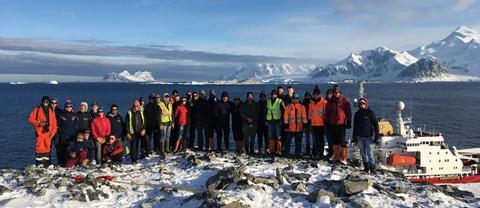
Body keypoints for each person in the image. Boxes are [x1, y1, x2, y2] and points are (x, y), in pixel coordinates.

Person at [325, 84, 352, 165]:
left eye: (338, 92)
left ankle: (344, 158)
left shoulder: (344, 101)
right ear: (333, 92)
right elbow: (327, 112)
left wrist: (349, 121)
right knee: (335, 141)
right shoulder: (330, 102)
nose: (337, 93)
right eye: (335, 92)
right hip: (332, 124)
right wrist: (327, 122)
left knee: (342, 141)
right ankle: (336, 157)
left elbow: (348, 112)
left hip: (341, 124)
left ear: (340, 92)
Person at [352, 98, 380, 173]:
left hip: (368, 137)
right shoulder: (357, 114)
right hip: (360, 137)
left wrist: (377, 136)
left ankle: (372, 167)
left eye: (363, 103)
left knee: (370, 153)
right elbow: (355, 126)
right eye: (360, 103)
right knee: (363, 153)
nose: (362, 105)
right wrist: (354, 137)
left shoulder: (371, 113)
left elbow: (376, 125)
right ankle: (366, 166)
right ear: (358, 105)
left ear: (366, 104)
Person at [28, 96, 57, 167]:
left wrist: (53, 131)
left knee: (47, 147)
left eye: (47, 102)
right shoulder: (37, 109)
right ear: (42, 102)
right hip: (40, 132)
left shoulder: (51, 110)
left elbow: (54, 122)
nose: (45, 103)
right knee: (39, 147)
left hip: (48, 132)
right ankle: (39, 163)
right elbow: (30, 120)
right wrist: (39, 123)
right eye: (44, 102)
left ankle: (46, 163)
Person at [283, 93, 308, 158]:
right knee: (287, 142)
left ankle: (298, 154)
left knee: (298, 142)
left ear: (298, 99)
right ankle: (286, 153)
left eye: (296, 98)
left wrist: (305, 126)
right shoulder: (288, 107)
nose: (295, 99)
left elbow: (304, 117)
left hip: (299, 128)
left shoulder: (302, 107)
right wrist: (286, 126)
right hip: (290, 128)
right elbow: (286, 117)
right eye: (294, 98)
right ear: (292, 99)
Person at [57, 100, 79, 166]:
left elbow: (77, 125)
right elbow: (58, 125)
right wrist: (60, 132)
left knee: (70, 150)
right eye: (67, 106)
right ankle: (61, 163)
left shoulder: (74, 115)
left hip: (72, 136)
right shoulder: (61, 114)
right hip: (63, 135)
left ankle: (70, 163)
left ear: (72, 107)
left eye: (70, 106)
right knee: (62, 150)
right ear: (65, 107)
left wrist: (76, 134)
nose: (68, 108)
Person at [125, 99, 148, 164]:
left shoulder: (141, 112)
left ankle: (144, 155)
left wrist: (144, 129)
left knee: (144, 143)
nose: (136, 107)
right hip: (133, 132)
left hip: (141, 131)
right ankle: (134, 160)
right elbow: (126, 123)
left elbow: (145, 121)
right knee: (134, 146)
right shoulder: (129, 113)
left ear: (139, 106)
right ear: (133, 105)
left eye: (137, 106)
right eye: (135, 106)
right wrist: (127, 133)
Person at [309, 86, 327, 160]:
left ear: (319, 94)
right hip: (313, 124)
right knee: (315, 140)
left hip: (321, 124)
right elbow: (310, 112)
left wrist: (326, 122)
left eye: (317, 94)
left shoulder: (324, 102)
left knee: (321, 140)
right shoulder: (311, 103)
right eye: (314, 94)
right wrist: (309, 121)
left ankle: (321, 155)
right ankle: (316, 154)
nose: (315, 95)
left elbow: (326, 113)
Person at [266, 89, 284, 156]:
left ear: (277, 95)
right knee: (271, 136)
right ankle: (271, 151)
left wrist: (282, 120)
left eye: (275, 94)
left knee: (278, 136)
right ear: (271, 94)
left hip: (278, 121)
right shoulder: (268, 101)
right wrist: (266, 120)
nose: (274, 95)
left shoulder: (280, 101)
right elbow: (266, 111)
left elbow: (283, 111)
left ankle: (279, 151)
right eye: (273, 94)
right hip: (270, 121)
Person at [324, 89, 334, 161]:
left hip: (334, 123)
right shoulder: (324, 102)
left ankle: (335, 153)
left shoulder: (334, 102)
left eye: (330, 94)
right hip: (326, 123)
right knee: (329, 139)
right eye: (328, 94)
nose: (329, 95)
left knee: (335, 139)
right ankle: (331, 152)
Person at [302, 91, 313, 157]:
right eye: (307, 96)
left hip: (313, 123)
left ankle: (314, 150)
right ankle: (308, 150)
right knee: (307, 138)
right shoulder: (303, 104)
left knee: (314, 138)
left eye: (309, 96)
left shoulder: (312, 103)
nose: (308, 97)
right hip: (305, 123)